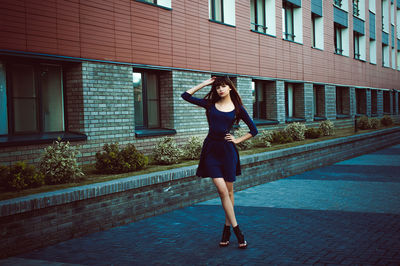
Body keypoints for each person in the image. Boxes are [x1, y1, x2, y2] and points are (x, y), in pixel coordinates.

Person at [181, 76, 258, 249]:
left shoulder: (238, 108)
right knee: (223, 192)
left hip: (227, 152)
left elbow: (254, 130)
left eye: (223, 86)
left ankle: (226, 229)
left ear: (230, 88)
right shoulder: (210, 105)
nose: (220, 89)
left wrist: (237, 141)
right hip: (211, 152)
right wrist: (205, 83)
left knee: (229, 192)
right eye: (217, 87)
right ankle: (238, 231)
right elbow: (185, 96)